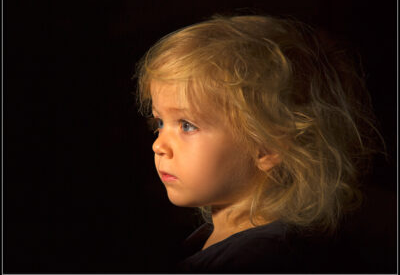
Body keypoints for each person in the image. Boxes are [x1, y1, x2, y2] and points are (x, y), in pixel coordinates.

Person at [134, 14, 384, 273]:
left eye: (187, 125)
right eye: (160, 123)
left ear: (267, 146)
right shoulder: (220, 238)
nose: (159, 145)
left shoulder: (260, 260)